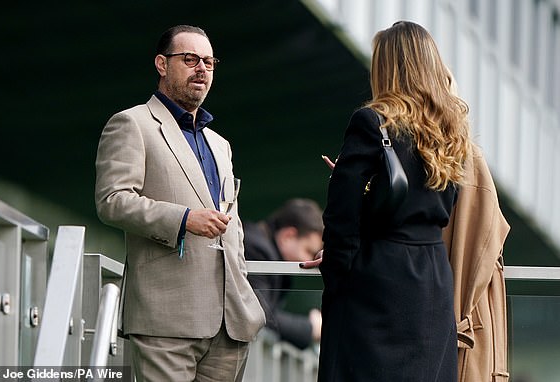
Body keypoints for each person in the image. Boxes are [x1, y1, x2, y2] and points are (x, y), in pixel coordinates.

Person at [94, 25, 265, 381]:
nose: (201, 68)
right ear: (161, 64)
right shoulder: (131, 123)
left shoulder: (220, 144)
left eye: (209, 61)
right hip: (165, 318)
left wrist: (244, 286)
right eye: (189, 59)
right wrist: (184, 219)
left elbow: (232, 222)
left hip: (231, 324)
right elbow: (112, 200)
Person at [306, 21, 472, 381]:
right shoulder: (451, 130)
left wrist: (340, 272)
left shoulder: (370, 122)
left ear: (387, 66)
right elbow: (439, 202)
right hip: (432, 280)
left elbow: (340, 217)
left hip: (377, 281)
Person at [244, 198, 323, 349]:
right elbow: (259, 315)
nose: (310, 260)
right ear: (288, 236)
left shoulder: (260, 245)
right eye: (308, 251)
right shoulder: (256, 249)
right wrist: (310, 327)